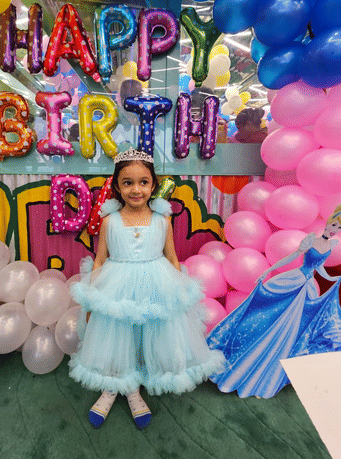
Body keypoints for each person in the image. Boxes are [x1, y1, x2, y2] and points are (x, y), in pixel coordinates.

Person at [68, 148, 225, 429]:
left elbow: (172, 257)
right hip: (116, 289)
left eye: (143, 182)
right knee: (118, 336)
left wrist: (180, 295)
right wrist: (92, 301)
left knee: (147, 337)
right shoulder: (109, 221)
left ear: (153, 184)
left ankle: (135, 390)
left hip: (156, 286)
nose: (136, 189)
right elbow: (101, 259)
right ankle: (113, 387)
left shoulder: (162, 220)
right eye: (127, 182)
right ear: (116, 185)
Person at [206, 202, 341, 399]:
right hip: (293, 281)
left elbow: (319, 268)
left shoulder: (331, 245)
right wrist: (268, 271)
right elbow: (293, 257)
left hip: (307, 287)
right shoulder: (311, 239)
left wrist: (332, 279)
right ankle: (241, 363)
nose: (334, 229)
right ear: (328, 222)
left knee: (292, 330)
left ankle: (267, 376)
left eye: (339, 227)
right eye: (334, 224)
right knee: (266, 316)